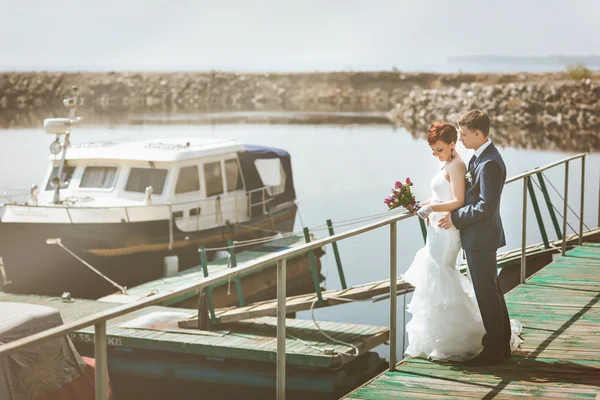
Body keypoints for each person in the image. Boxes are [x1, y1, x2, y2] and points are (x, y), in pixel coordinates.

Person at [402, 121, 487, 362]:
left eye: (439, 149)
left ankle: (456, 338)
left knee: (442, 273)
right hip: (436, 230)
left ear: (452, 144)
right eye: (433, 150)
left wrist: (431, 209)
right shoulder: (448, 163)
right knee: (433, 274)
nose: (436, 154)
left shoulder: (457, 165)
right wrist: (420, 205)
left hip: (447, 231)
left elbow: (458, 201)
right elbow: (441, 196)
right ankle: (435, 337)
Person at [437, 110, 514, 366]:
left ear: (479, 133)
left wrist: (455, 217)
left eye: (464, 134)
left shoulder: (489, 162)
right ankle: (501, 345)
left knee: (486, 293)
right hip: (481, 237)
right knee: (493, 290)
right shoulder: (479, 157)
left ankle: (493, 350)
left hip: (481, 238)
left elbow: (486, 206)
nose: (460, 138)